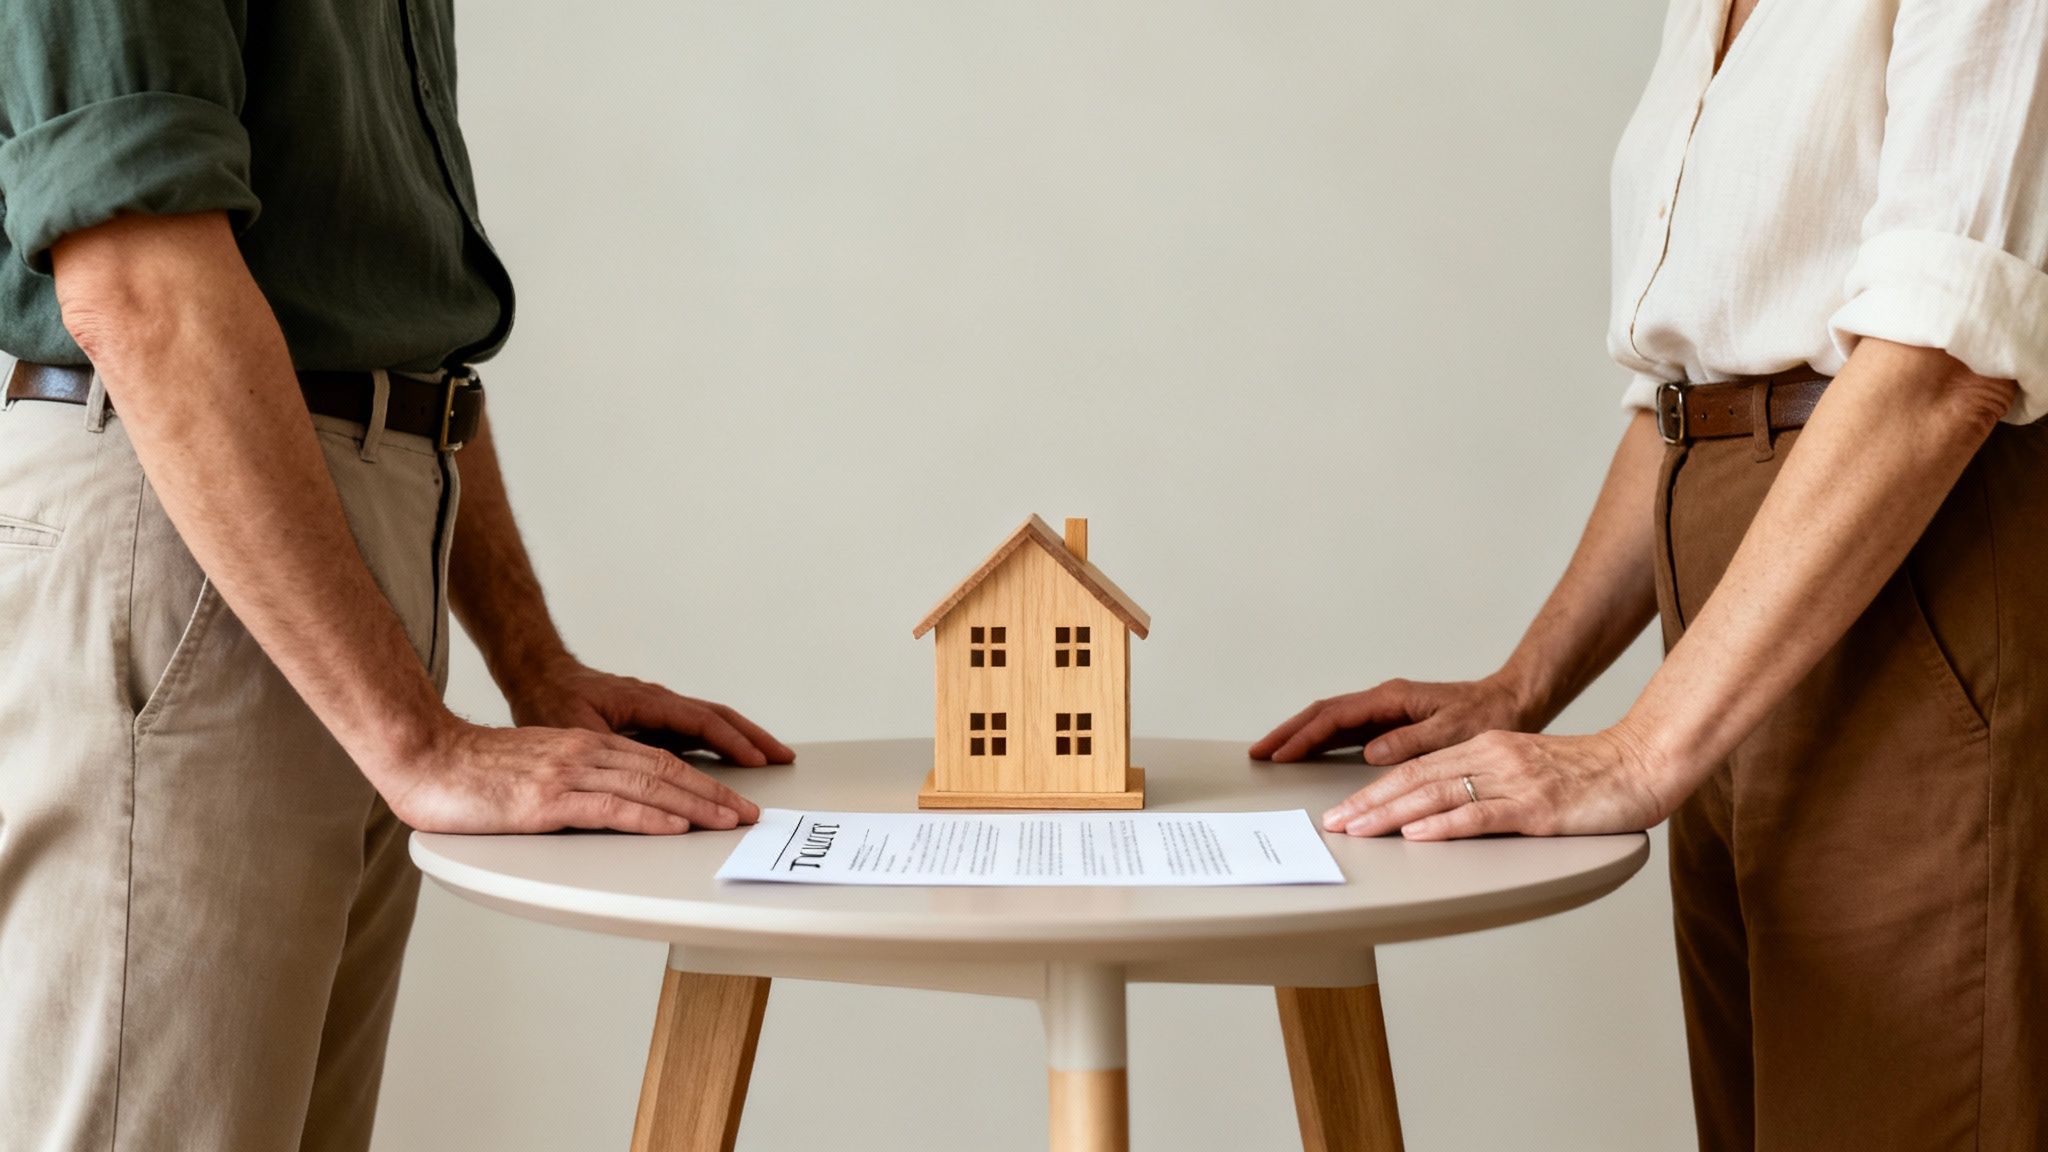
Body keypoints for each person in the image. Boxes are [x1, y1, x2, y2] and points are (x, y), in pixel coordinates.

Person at [1253, 0, 2047, 1146]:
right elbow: (1693, 394)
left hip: (1904, 579)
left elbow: (1936, 366)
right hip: (1729, 622)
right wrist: (1521, 687)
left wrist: (1637, 747)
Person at [0, 3, 794, 1150]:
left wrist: (530, 661)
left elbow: (381, 329)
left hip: (323, 549)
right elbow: (140, 285)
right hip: (180, 529)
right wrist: (416, 739)